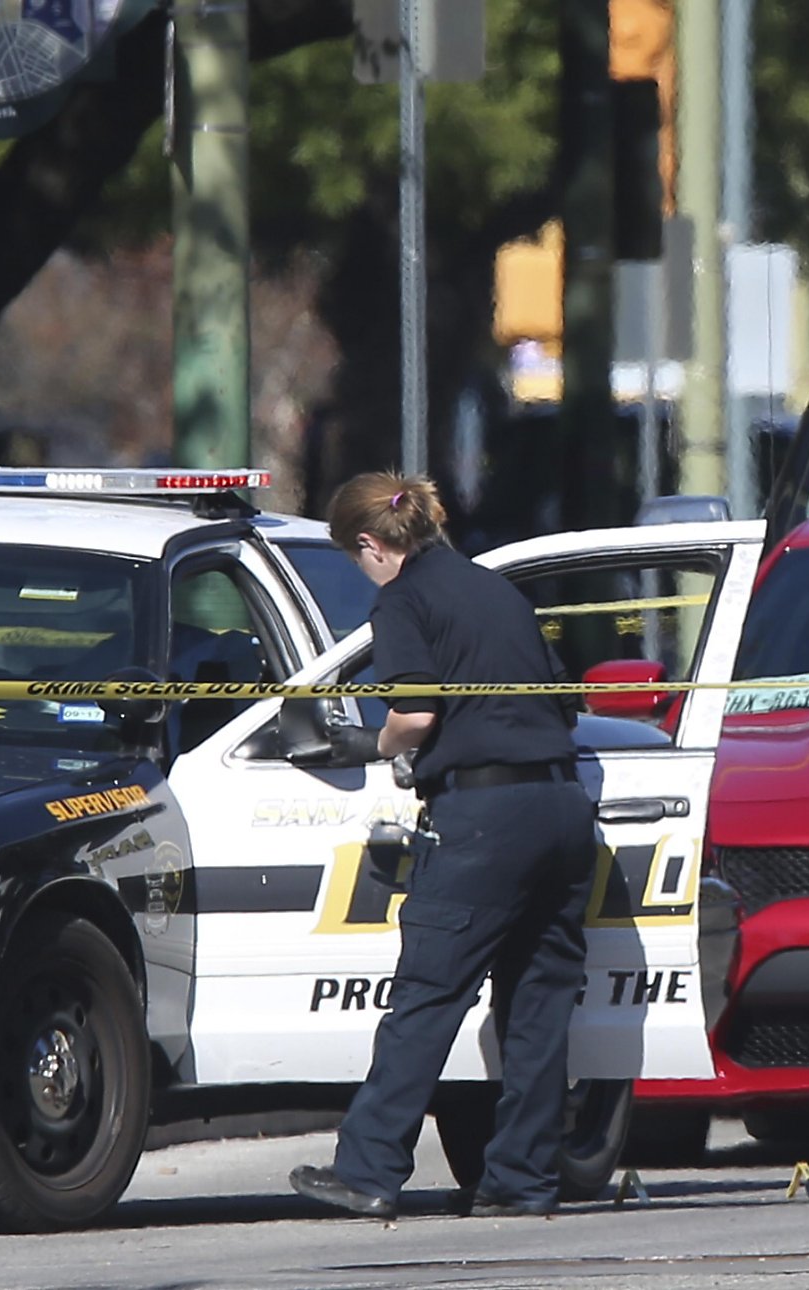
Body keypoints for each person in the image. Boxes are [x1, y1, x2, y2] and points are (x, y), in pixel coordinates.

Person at [288, 471, 599, 1220]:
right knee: (537, 1005)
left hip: (485, 819)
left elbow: (417, 712)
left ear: (370, 545)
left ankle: (367, 1171)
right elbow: (568, 703)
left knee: (427, 996)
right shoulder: (497, 590)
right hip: (561, 809)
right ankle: (522, 1184)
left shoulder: (403, 599)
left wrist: (369, 742)